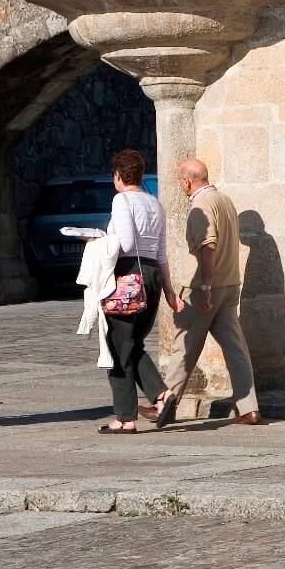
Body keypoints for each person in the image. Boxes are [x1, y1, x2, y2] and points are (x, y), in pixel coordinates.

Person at [154, 158, 259, 428]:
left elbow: (207, 246)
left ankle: (165, 404)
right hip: (230, 284)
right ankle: (249, 408)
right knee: (236, 347)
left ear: (187, 181)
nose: (181, 185)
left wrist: (206, 285)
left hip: (204, 288)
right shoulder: (224, 200)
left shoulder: (201, 205)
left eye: (180, 180)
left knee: (184, 345)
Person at [98, 148, 179, 434]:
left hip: (128, 275)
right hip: (153, 276)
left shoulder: (122, 200)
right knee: (133, 343)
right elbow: (161, 253)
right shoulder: (155, 204)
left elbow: (126, 243)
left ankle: (125, 417)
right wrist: (169, 292)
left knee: (118, 346)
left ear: (118, 176)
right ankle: (161, 395)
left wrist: (99, 241)